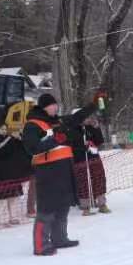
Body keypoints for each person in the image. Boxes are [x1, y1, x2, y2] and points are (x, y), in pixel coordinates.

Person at [22, 92, 103, 256]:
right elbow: (31, 148)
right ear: (44, 107)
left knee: (63, 206)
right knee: (47, 208)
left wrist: (94, 104)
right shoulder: (32, 125)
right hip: (47, 171)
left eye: (56, 105)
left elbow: (78, 116)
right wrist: (55, 140)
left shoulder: (59, 121)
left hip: (65, 169)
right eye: (52, 105)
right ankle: (40, 245)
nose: (55, 107)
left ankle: (59, 239)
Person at [0, 123, 32, 225]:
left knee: (14, 196)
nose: (4, 131)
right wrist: (10, 138)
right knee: (2, 197)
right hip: (0, 173)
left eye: (5, 129)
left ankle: (13, 217)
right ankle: (3, 219)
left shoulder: (12, 140)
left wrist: (20, 136)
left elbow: (24, 147)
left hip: (13, 172)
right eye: (1, 129)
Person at [69, 112, 110, 215]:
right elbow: (72, 145)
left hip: (94, 157)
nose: (87, 119)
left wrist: (96, 128)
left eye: (87, 117)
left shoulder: (90, 127)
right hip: (80, 159)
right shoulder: (72, 129)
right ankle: (85, 207)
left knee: (99, 179)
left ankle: (102, 204)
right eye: (84, 118)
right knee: (83, 183)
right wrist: (83, 146)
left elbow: (99, 141)